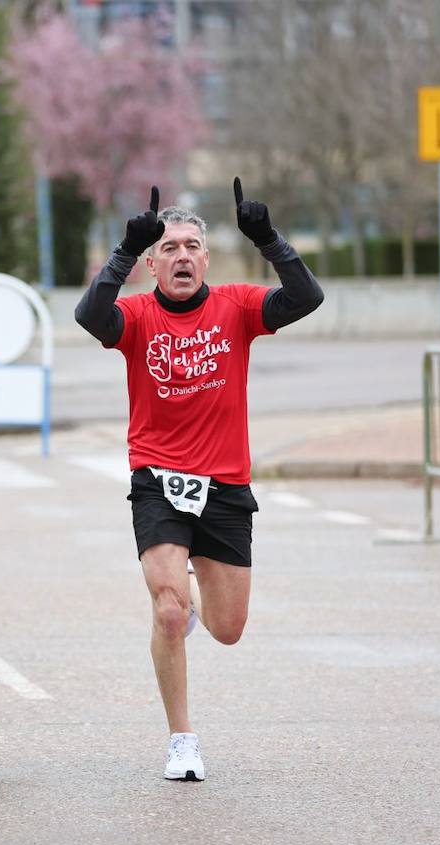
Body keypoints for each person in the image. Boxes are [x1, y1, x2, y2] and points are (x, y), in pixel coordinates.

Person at [75, 180, 323, 781]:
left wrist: (267, 238)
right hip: (158, 478)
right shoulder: (135, 315)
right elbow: (90, 316)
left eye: (192, 246)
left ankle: (190, 596)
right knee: (166, 610)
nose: (182, 255)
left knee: (228, 629)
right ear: (154, 264)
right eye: (169, 247)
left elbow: (306, 298)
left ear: (206, 259)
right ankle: (182, 740)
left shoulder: (236, 307)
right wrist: (122, 253)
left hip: (225, 484)